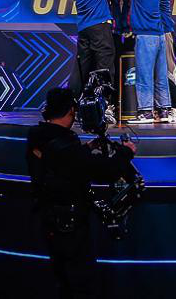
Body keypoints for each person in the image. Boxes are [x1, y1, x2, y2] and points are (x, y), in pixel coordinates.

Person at [27, 87, 136, 299]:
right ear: (71, 111)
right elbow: (103, 171)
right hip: (70, 227)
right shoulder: (66, 145)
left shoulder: (37, 136)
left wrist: (85, 149)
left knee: (62, 280)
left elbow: (62, 163)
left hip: (47, 219)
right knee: (80, 284)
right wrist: (126, 152)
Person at [113, 0, 176, 124]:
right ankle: (164, 111)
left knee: (144, 75)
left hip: (145, 37)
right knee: (161, 75)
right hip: (160, 36)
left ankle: (146, 113)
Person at [63, 0, 121, 119]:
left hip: (84, 31)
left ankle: (73, 107)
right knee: (104, 65)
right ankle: (104, 105)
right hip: (99, 28)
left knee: (83, 68)